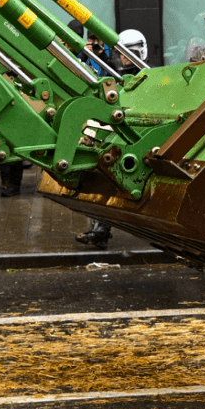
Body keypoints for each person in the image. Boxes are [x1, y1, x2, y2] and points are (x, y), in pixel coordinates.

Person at [76, 29, 149, 250]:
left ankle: (102, 230)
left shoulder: (149, 75)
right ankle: (101, 230)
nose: (125, 58)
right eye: (122, 54)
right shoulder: (116, 73)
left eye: (130, 53)